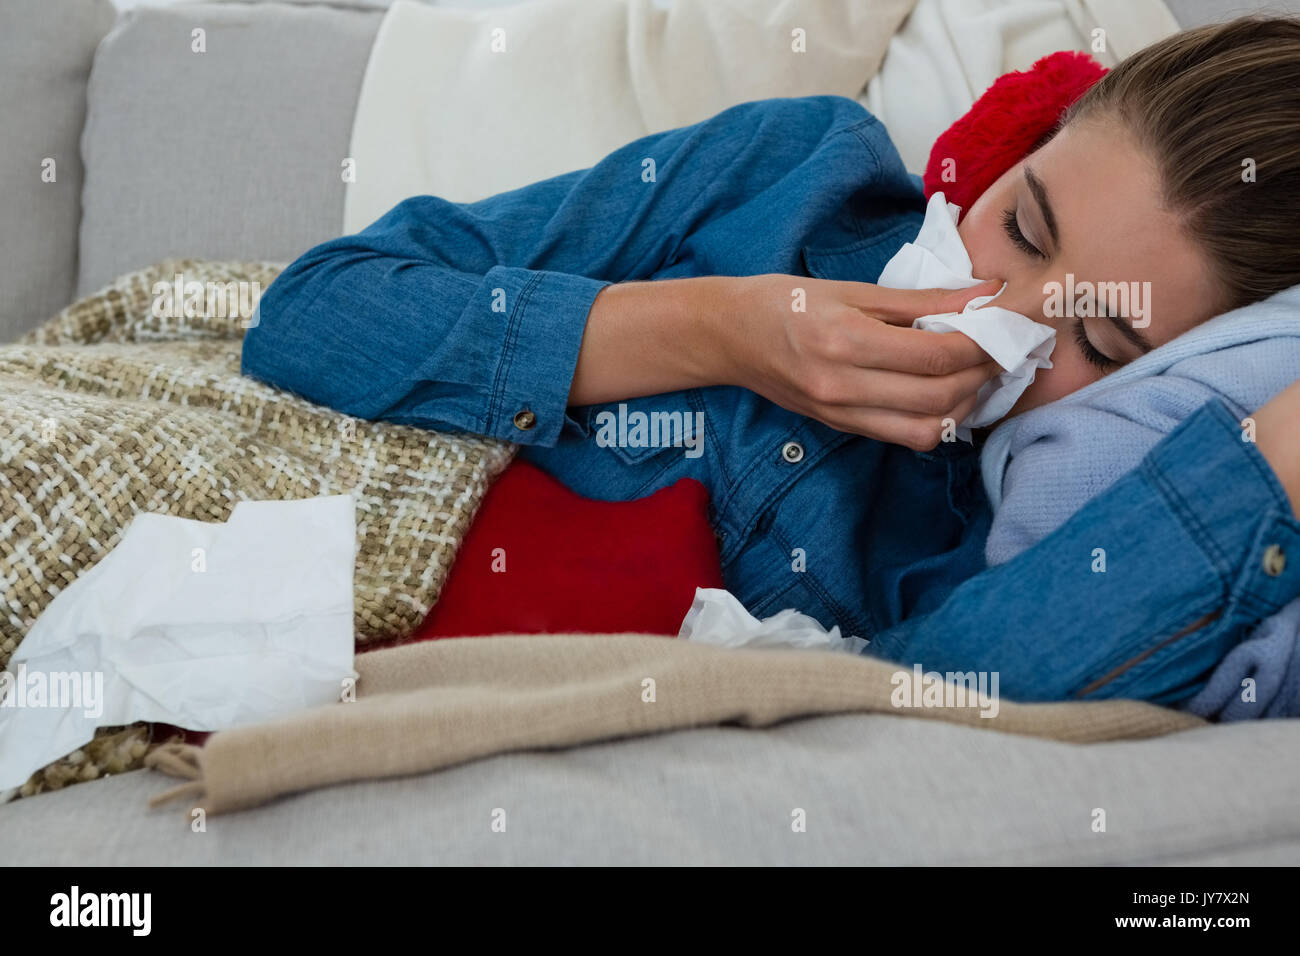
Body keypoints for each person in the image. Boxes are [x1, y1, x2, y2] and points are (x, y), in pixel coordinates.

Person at [242, 17, 1300, 704]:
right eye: (1021, 225)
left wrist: (1270, 459)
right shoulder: (796, 170)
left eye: (1098, 339)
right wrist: (721, 330)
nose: (997, 308)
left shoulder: (1019, 545)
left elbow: (930, 727)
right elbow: (312, 310)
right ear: (1019, 145)